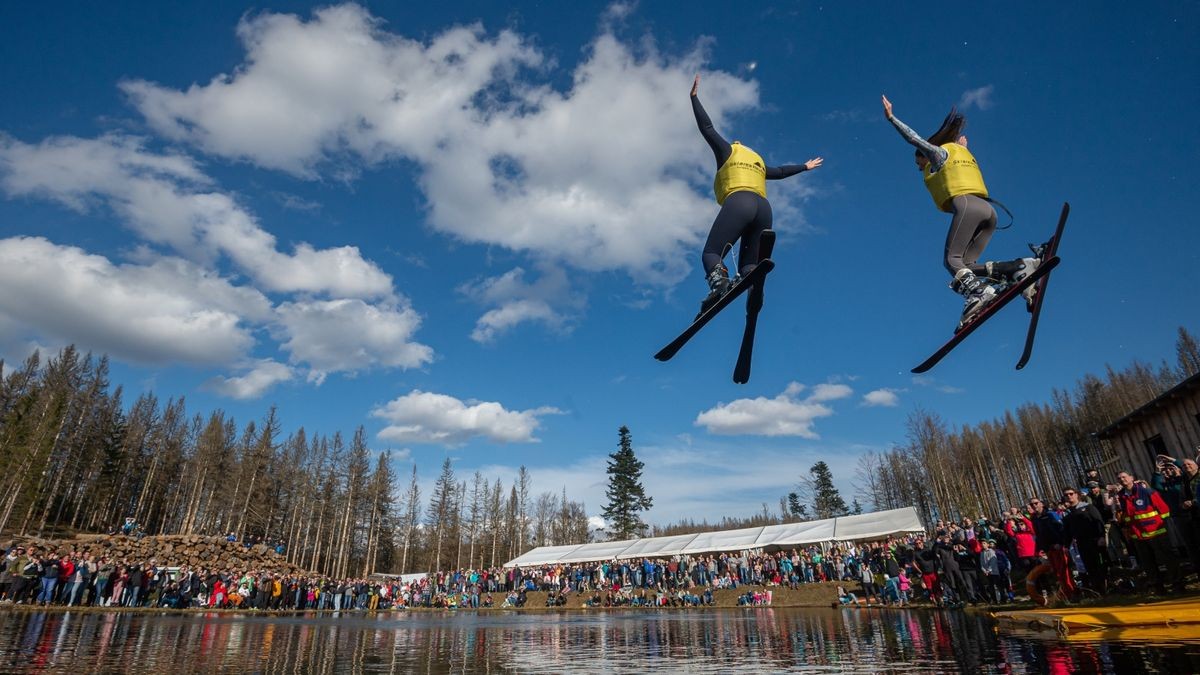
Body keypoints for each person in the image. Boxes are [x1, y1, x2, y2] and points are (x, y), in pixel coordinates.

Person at [881, 95, 1040, 328]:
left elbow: (914, 139)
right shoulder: (960, 153)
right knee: (965, 265)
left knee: (951, 260)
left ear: (926, 157)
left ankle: (980, 293)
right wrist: (962, 147)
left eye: (919, 165)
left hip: (968, 207)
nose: (920, 170)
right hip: (989, 213)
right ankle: (1018, 268)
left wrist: (892, 118)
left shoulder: (938, 155)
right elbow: (959, 157)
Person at [691, 75, 822, 316]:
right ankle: (754, 295)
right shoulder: (759, 164)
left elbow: (707, 129)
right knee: (750, 266)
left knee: (710, 253)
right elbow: (781, 172)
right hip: (764, 210)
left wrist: (694, 98)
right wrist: (805, 166)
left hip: (740, 202)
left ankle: (719, 285)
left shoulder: (728, 151)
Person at [1115, 469, 1182, 594]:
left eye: (1124, 477)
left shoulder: (1147, 492)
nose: (1121, 480)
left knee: (1169, 559)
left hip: (1157, 532)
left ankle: (1177, 584)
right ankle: (1158, 587)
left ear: (1131, 477)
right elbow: (1127, 516)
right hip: (1138, 535)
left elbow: (1164, 510)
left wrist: (1161, 527)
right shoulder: (1121, 497)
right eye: (1119, 478)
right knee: (1148, 563)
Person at [1062, 486, 1107, 593]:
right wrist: (1066, 546)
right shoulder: (1068, 514)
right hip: (1081, 544)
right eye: (1066, 495)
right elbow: (1068, 531)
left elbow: (1098, 522)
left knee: (1100, 565)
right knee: (1089, 566)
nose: (1069, 496)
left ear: (1077, 494)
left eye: (1071, 493)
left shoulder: (1088, 507)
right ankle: (1096, 591)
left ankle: (1105, 588)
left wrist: (1101, 537)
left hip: (1095, 541)